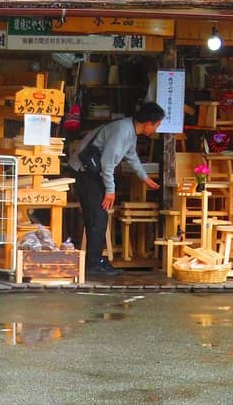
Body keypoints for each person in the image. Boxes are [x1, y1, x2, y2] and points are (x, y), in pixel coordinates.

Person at [69, 101, 165, 278]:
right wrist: (110, 191)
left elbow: (131, 155)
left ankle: (95, 260)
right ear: (148, 123)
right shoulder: (122, 131)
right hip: (86, 173)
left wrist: (144, 177)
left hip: (94, 173)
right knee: (97, 217)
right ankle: (93, 264)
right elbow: (107, 164)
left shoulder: (130, 130)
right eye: (157, 125)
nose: (156, 130)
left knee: (99, 217)